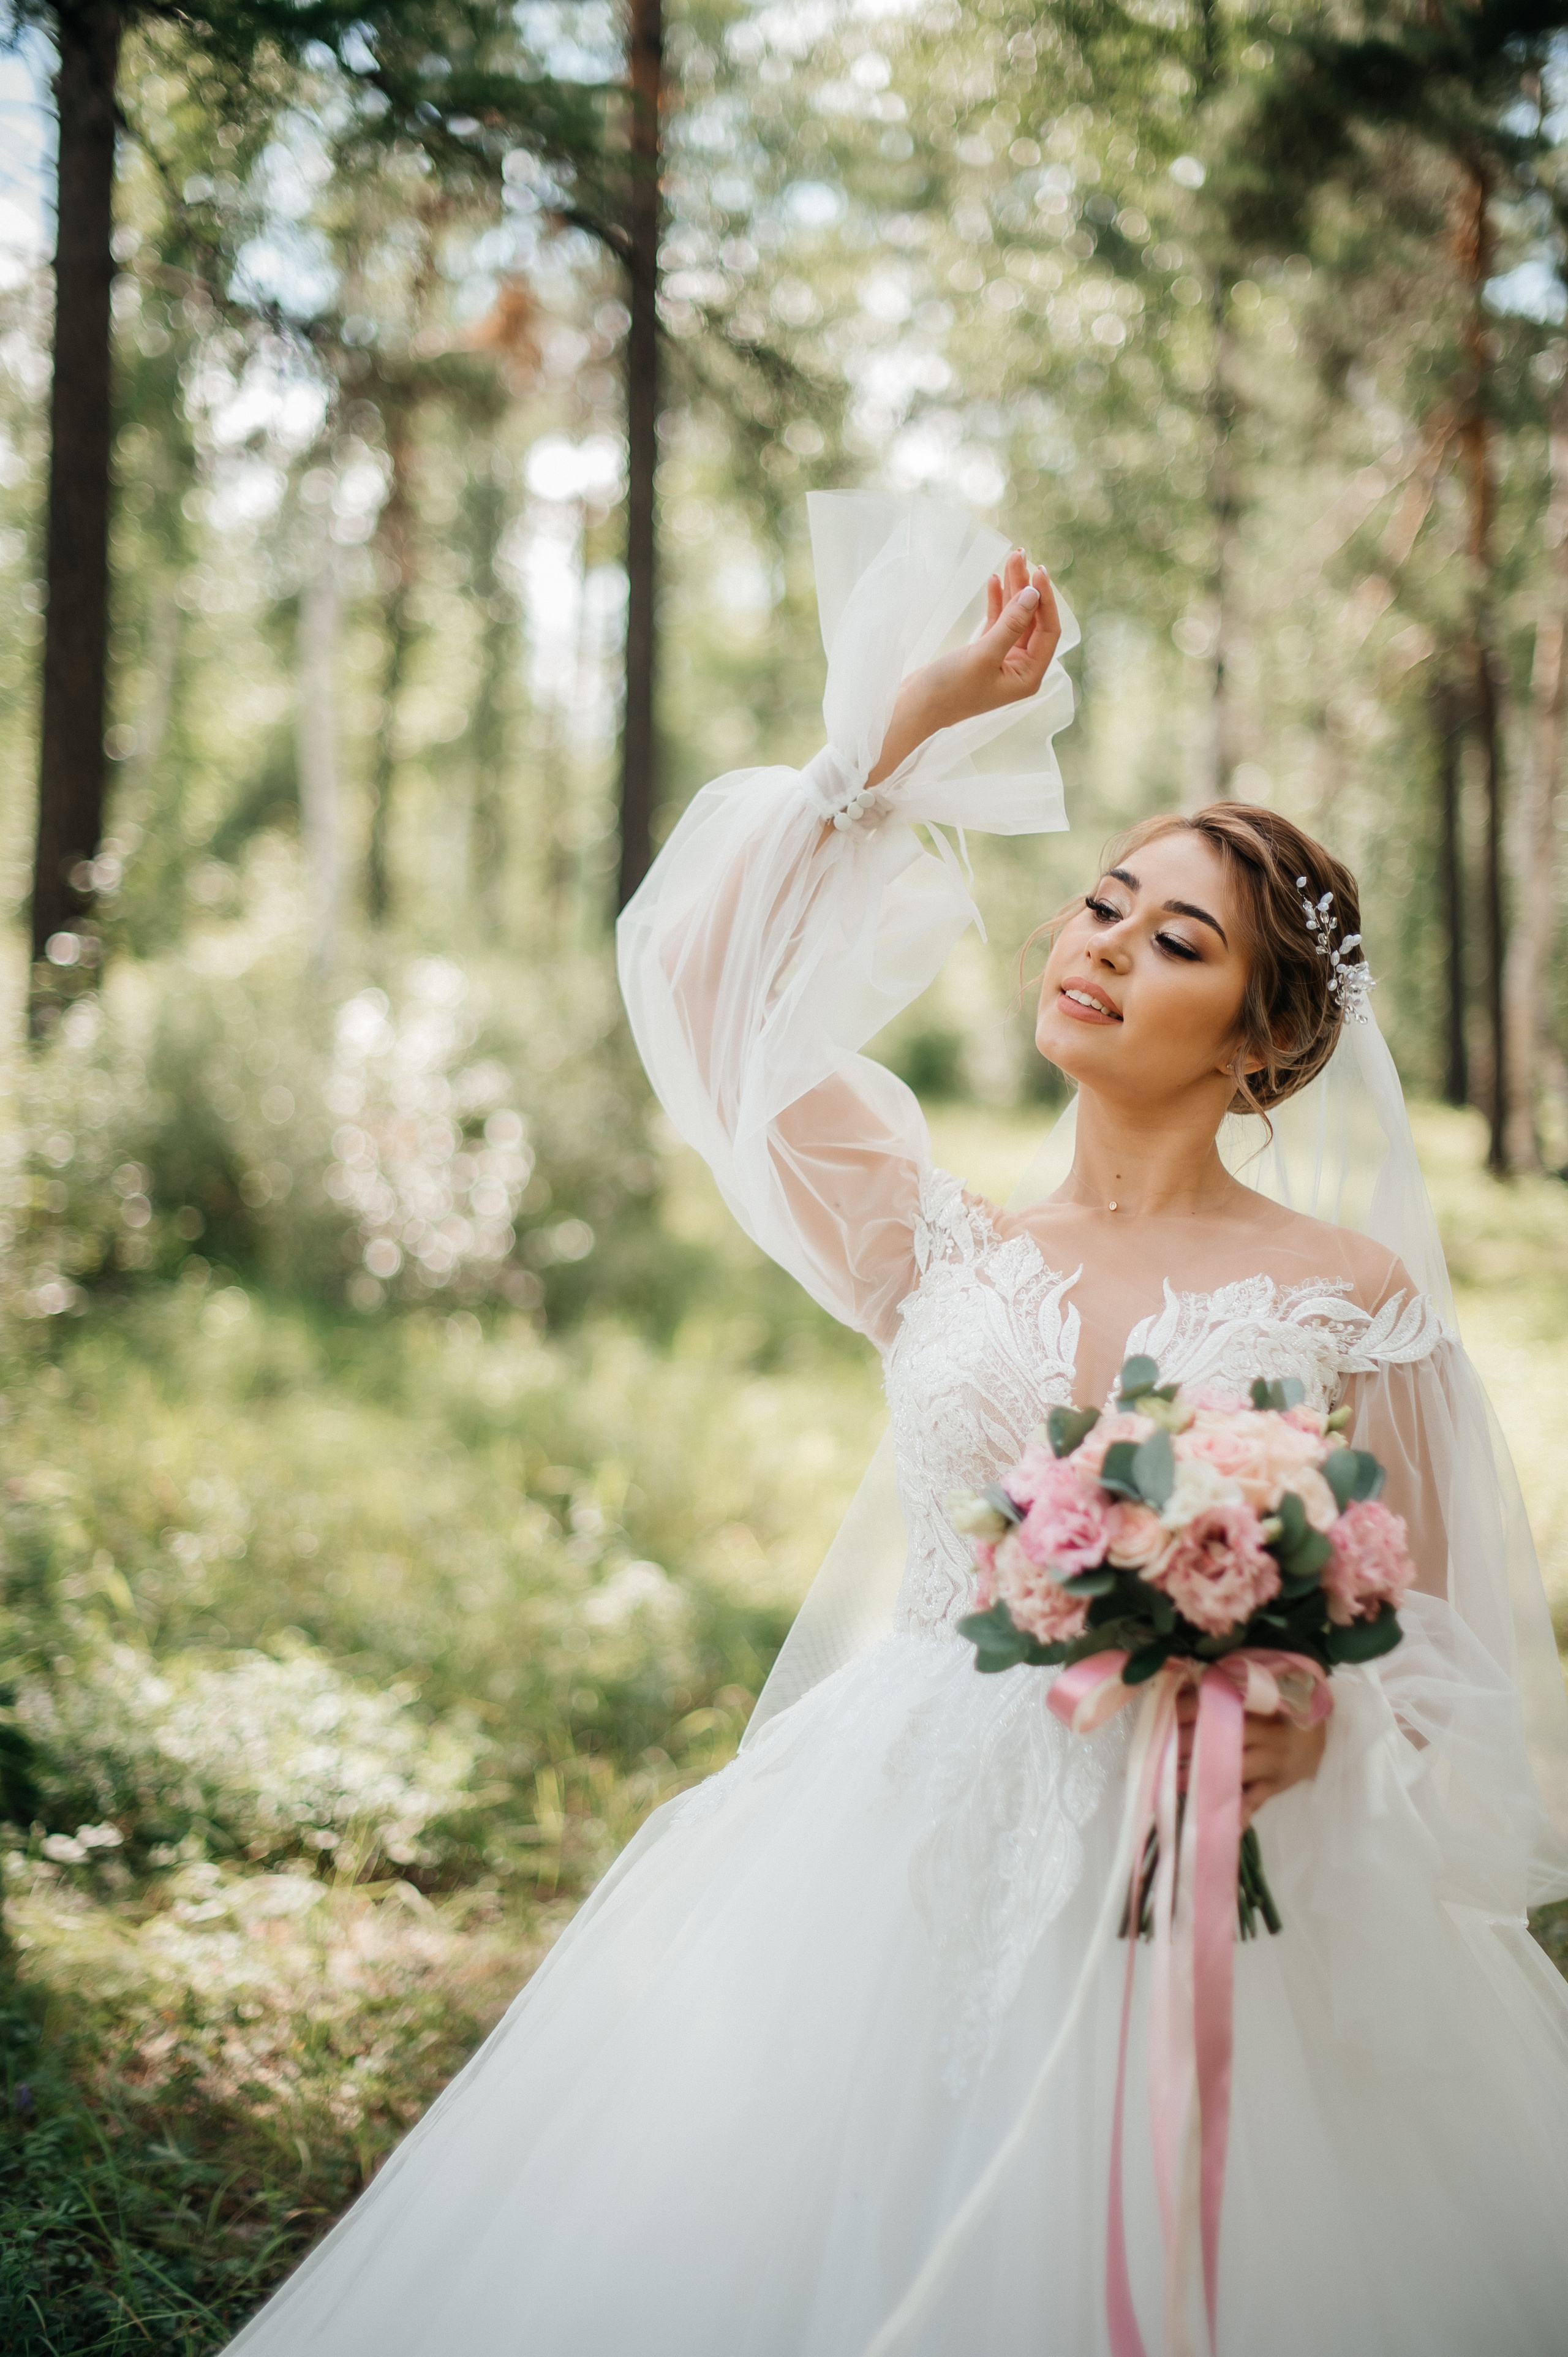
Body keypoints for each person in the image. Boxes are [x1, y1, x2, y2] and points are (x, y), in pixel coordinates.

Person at [225, 496, 1568, 2356]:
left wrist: (1313, 1711)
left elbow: (1452, 1660)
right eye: (1102, 899)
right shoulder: (927, 1231)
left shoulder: (1356, 1298)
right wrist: (891, 742)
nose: (1099, 943)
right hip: (900, 1845)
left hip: (1242, 1901)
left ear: (1262, 1040)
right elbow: (700, 995)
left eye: (1176, 941)